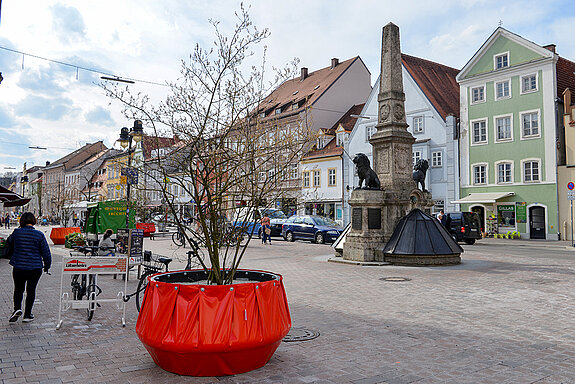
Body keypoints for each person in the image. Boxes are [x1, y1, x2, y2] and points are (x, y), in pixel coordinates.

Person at [7, 212, 51, 323]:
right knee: (31, 290)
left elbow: (9, 244)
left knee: (18, 289)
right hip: (35, 267)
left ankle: (17, 309)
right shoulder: (39, 235)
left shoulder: (16, 233)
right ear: (33, 221)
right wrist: (47, 266)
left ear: (21, 221)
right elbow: (46, 252)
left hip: (19, 266)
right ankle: (27, 315)